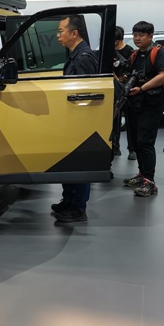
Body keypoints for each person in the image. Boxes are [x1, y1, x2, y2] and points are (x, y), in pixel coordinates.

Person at [51, 15, 97, 223]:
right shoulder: (74, 55)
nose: (58, 35)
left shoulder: (84, 57)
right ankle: (69, 200)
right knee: (69, 161)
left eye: (61, 31)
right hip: (71, 118)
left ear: (74, 33)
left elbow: (87, 94)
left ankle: (78, 207)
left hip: (80, 120)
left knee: (79, 162)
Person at [122, 21, 164, 197]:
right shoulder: (135, 55)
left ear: (150, 36)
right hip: (135, 102)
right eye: (135, 35)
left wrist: (142, 88)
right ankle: (142, 174)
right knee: (136, 141)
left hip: (151, 103)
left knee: (145, 142)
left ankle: (150, 182)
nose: (137, 38)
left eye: (141, 35)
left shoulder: (159, 52)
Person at [113, 26, 135, 159]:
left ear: (118, 39)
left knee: (130, 120)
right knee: (115, 119)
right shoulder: (110, 51)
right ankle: (115, 147)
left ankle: (132, 149)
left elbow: (133, 70)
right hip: (115, 89)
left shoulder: (130, 52)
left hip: (128, 89)